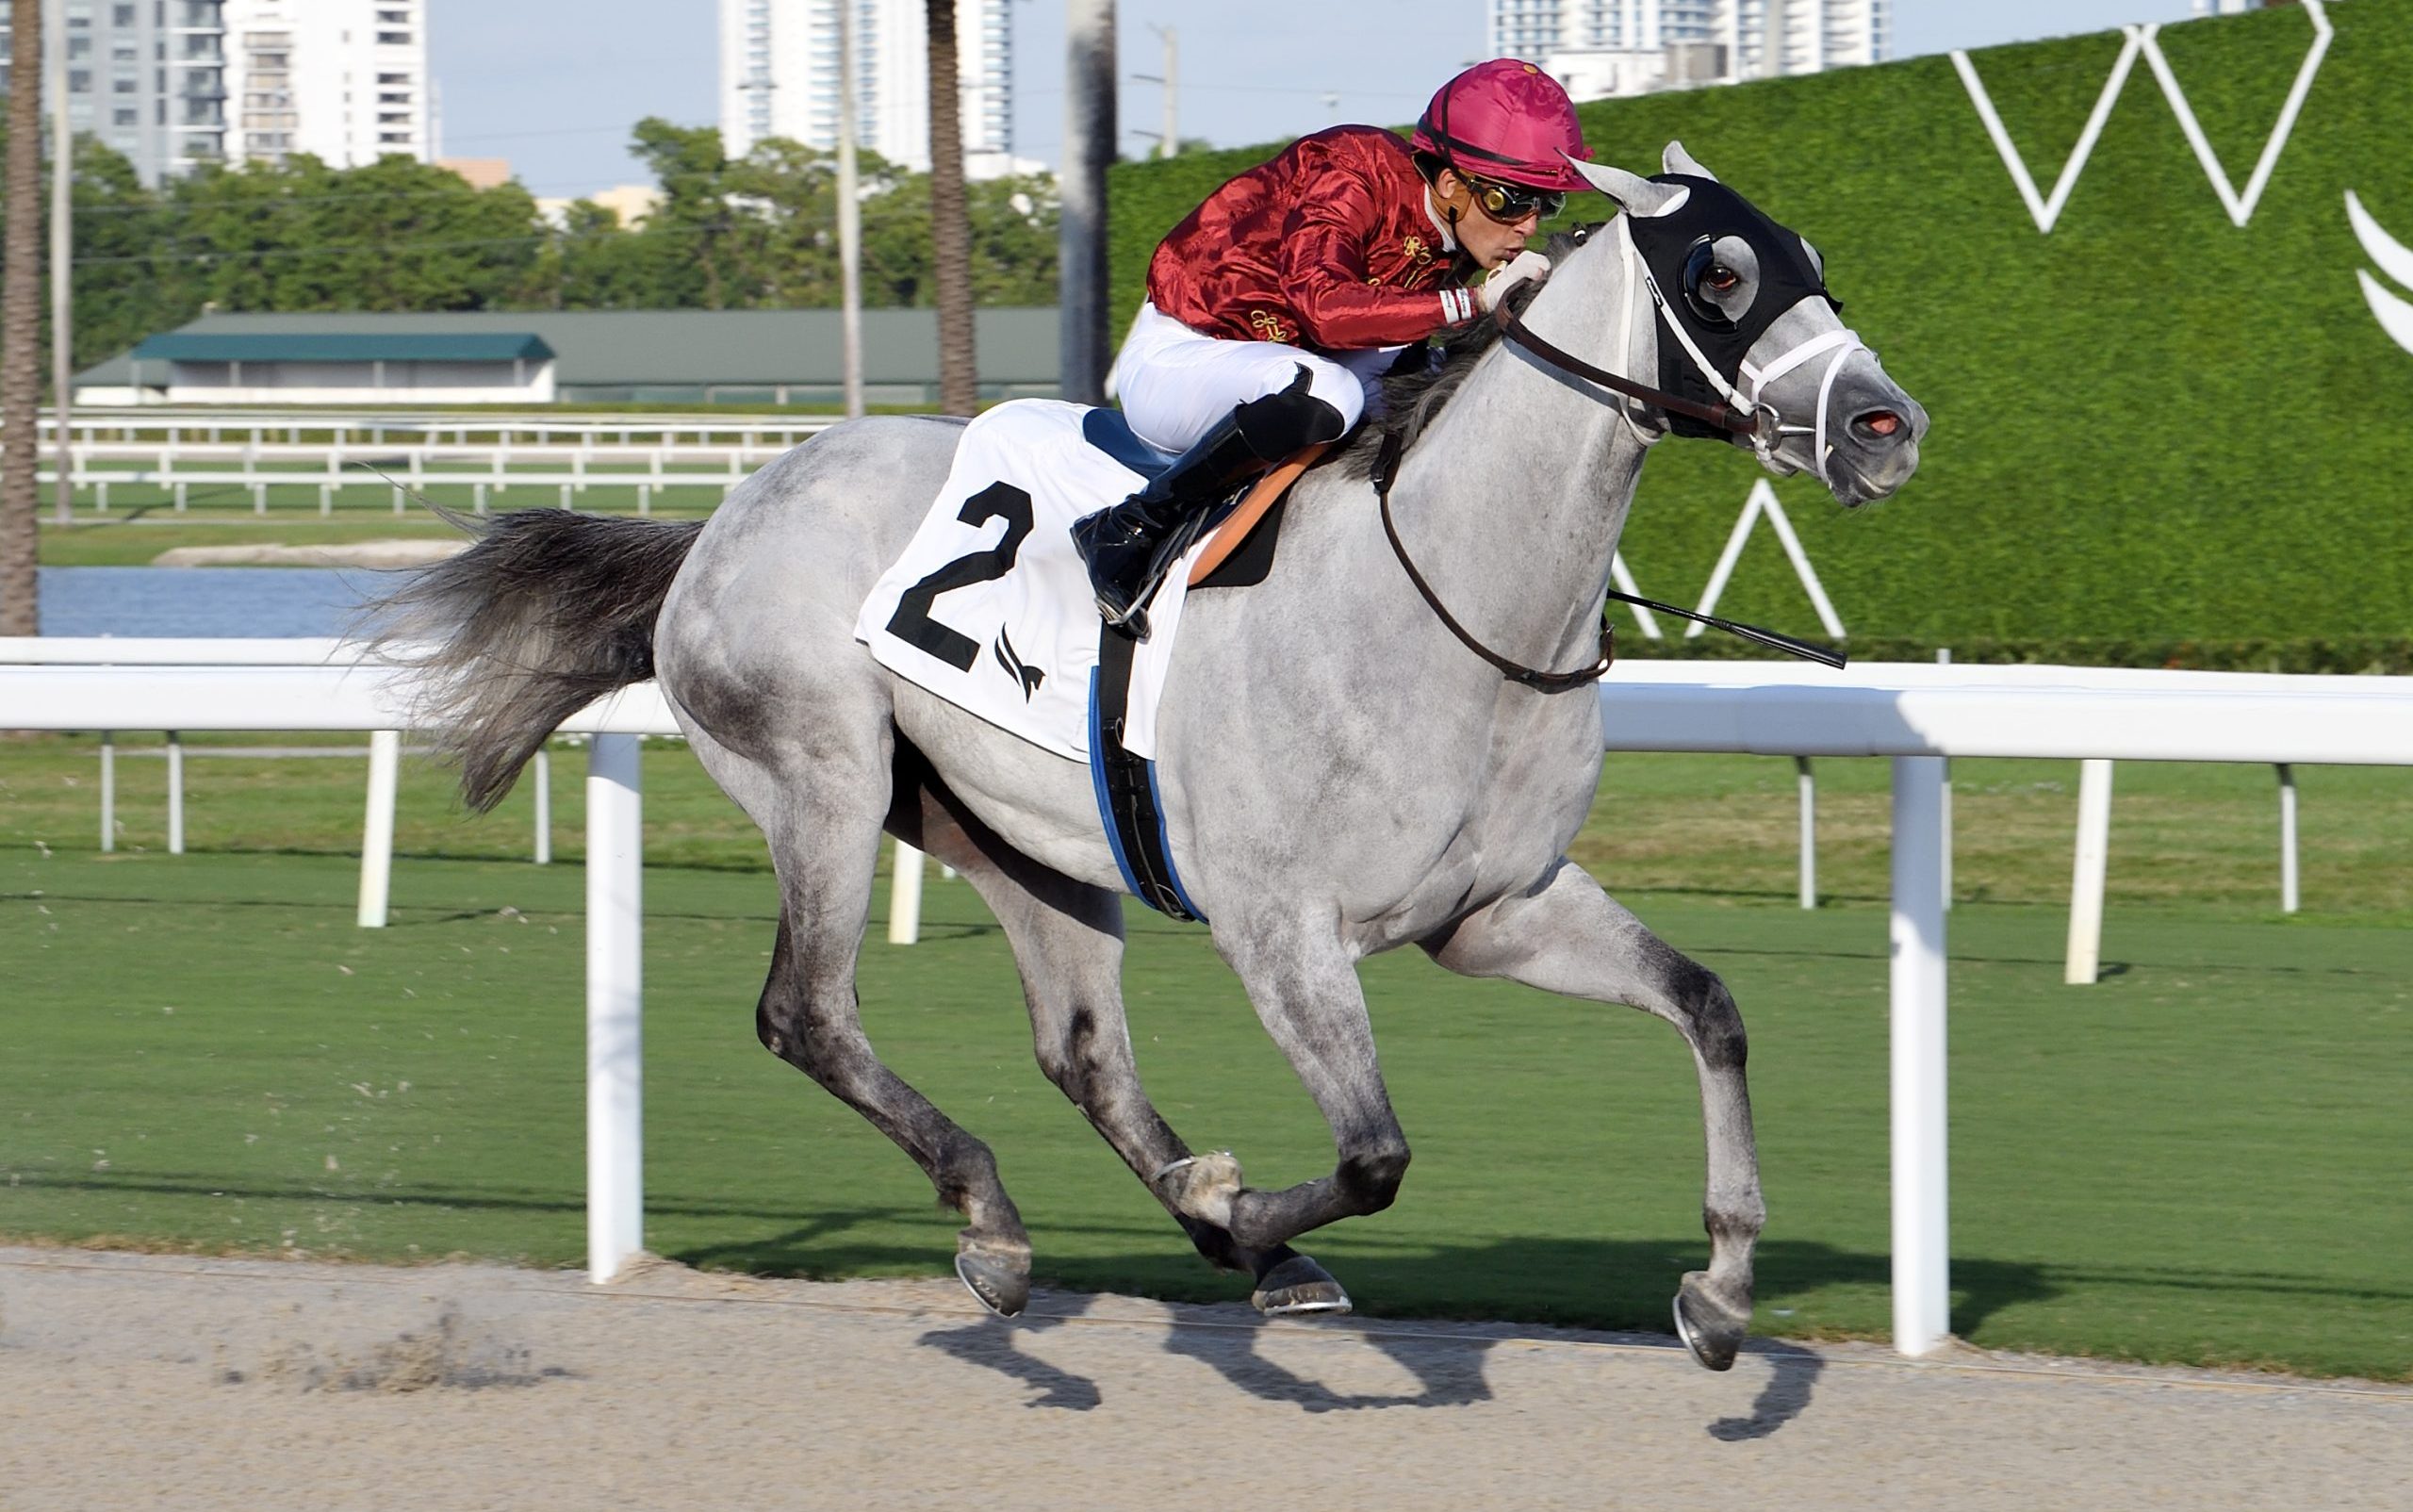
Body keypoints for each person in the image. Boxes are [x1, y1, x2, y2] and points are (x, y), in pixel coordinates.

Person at [1072, 58, 1593, 633]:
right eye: (1510, 200)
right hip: (1182, 357)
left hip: (1279, 367)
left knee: (1445, 391)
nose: (1527, 225)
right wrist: (1472, 303)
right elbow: (1322, 310)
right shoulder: (1351, 169)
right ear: (1450, 185)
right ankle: (1129, 528)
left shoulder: (1455, 237)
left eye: (1545, 204)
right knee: (1332, 393)